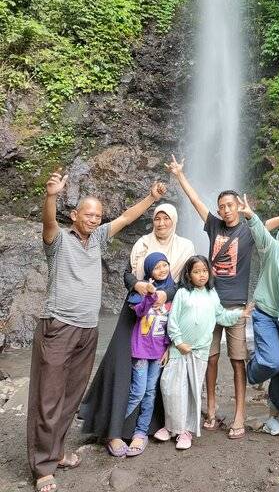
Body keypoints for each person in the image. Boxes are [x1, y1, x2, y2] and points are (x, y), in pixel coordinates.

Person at [27, 170, 166, 492]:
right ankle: (43, 467)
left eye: (98, 216)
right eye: (88, 214)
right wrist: (51, 196)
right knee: (48, 397)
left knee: (71, 395)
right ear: (74, 215)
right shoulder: (58, 240)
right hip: (59, 325)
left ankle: (57, 450)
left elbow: (127, 218)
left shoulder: (99, 238)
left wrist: (152, 198)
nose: (94, 219)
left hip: (88, 329)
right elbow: (49, 223)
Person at [166, 155, 279, 439]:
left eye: (230, 205)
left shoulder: (251, 229)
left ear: (239, 205)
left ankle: (240, 414)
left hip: (237, 305)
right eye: (222, 206)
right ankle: (210, 410)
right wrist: (179, 176)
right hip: (208, 301)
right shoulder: (213, 225)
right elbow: (195, 201)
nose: (226, 210)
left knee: (238, 361)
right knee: (209, 358)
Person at [80, 202, 195, 456]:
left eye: (167, 219)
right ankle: (113, 429)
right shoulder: (143, 243)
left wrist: (166, 293)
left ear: (174, 221)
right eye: (158, 218)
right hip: (136, 309)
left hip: (165, 314)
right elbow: (127, 274)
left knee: (155, 378)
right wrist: (139, 285)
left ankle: (148, 428)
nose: (162, 223)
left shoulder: (185, 246)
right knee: (121, 368)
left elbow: (184, 282)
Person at [157, 255, 253, 449]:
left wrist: (239, 314)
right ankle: (171, 427)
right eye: (196, 272)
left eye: (204, 271)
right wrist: (178, 341)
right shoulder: (183, 293)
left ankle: (186, 431)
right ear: (188, 274)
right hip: (179, 349)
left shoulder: (212, 294)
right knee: (171, 388)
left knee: (192, 390)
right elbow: (172, 320)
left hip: (200, 350)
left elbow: (221, 316)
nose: (201, 275)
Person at [242, 197, 279, 435]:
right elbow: (260, 233)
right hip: (265, 314)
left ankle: (274, 417)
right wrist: (250, 216)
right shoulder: (272, 250)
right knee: (272, 362)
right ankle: (251, 370)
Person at [123, 252, 174, 457]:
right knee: (137, 391)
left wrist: (168, 347)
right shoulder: (143, 291)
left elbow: (173, 323)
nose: (162, 269)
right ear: (149, 271)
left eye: (165, 265)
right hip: (141, 351)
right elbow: (139, 311)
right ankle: (116, 427)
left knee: (150, 392)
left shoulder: (172, 294)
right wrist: (150, 294)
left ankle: (141, 431)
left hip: (158, 352)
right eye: (157, 267)